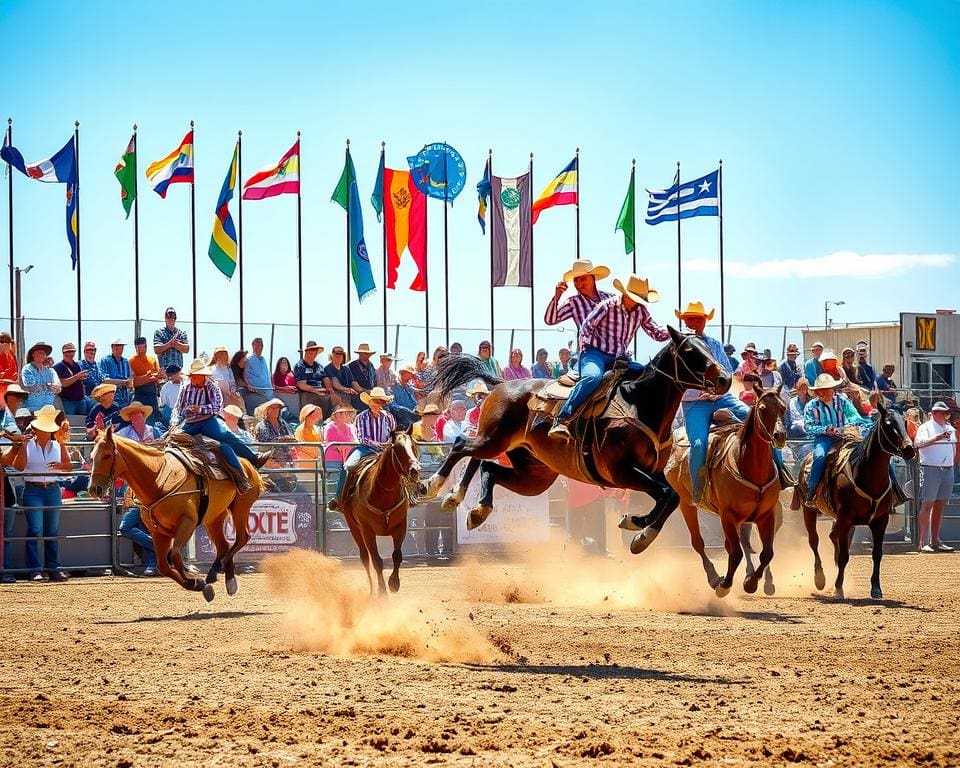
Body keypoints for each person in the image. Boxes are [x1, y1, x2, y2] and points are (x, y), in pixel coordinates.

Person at [550, 274, 668, 440]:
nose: (638, 301)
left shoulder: (640, 311)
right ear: (626, 294)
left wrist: (674, 333)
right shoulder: (608, 305)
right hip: (594, 353)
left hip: (619, 358)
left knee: (645, 376)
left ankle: (640, 421)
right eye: (635, 297)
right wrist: (587, 347)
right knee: (592, 377)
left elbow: (656, 332)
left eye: (640, 298)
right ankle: (562, 418)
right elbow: (586, 327)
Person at [177, 359, 267, 491]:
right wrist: (176, 422)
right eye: (192, 377)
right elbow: (178, 408)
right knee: (172, 439)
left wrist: (200, 409)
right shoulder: (185, 387)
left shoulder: (212, 386)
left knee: (225, 436)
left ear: (203, 376)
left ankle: (252, 459)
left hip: (208, 420)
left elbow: (216, 407)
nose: (193, 379)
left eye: (195, 376)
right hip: (190, 422)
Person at [5, 404, 72, 581]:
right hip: (34, 489)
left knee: (50, 530)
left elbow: (69, 466)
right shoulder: (29, 445)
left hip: (50, 489)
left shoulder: (58, 445)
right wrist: (23, 445)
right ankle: (38, 568)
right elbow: (19, 466)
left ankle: (49, 567)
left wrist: (60, 467)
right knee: (37, 528)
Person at [803, 374, 873, 502]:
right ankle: (811, 490)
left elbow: (855, 416)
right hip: (824, 438)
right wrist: (825, 429)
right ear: (817, 391)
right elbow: (808, 426)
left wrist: (848, 424)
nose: (827, 392)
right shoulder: (811, 406)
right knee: (819, 456)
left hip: (846, 435)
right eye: (823, 389)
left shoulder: (842, 401)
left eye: (829, 388)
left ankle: (893, 489)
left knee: (870, 452)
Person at [327, 387, 396, 511]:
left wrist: (389, 443)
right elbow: (361, 437)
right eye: (375, 401)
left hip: (386, 450)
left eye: (380, 402)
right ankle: (339, 498)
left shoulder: (389, 417)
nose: (377, 404)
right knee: (348, 466)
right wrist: (379, 444)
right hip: (365, 449)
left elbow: (393, 433)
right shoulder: (361, 417)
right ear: (369, 402)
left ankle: (409, 495)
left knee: (404, 465)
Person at [914, 402, 958, 553]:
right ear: (935, 413)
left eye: (946, 413)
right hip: (930, 469)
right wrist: (938, 437)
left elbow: (953, 447)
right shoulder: (925, 427)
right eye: (943, 413)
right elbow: (918, 443)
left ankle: (934, 540)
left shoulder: (950, 428)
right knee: (927, 505)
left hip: (947, 469)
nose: (946, 415)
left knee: (940, 505)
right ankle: (923, 542)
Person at [0, 385, 28, 583]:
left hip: (5, 486)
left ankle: (6, 569)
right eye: (15, 397)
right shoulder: (7, 422)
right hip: (6, 483)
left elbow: (11, 462)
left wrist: (19, 444)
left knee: (7, 532)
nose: (18, 400)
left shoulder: (7, 424)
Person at [544, 259, 613, 330]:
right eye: (576, 280)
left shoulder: (610, 298)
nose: (579, 285)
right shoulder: (573, 302)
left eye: (583, 279)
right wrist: (557, 296)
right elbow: (550, 320)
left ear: (593, 278)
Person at [129, 336, 162, 423]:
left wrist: (157, 377)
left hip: (152, 393)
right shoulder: (132, 361)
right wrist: (148, 377)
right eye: (137, 347)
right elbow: (133, 381)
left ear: (146, 346)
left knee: (154, 418)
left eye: (141, 347)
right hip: (139, 393)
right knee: (140, 417)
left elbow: (158, 377)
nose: (139, 349)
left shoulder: (152, 359)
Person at [21, 341, 62, 411]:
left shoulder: (51, 371)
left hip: (49, 410)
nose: (42, 355)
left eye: (44, 353)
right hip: (32, 409)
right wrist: (48, 386)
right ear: (32, 354)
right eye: (40, 352)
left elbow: (58, 386)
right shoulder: (27, 369)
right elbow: (30, 387)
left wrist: (58, 389)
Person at [295, 341, 332, 415]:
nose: (314, 353)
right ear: (306, 351)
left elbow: (325, 378)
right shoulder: (300, 366)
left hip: (322, 394)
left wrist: (329, 388)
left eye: (315, 351)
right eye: (312, 350)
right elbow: (301, 385)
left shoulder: (319, 366)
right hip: (308, 395)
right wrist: (316, 392)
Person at [53, 343, 89, 416]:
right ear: (64, 352)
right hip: (68, 401)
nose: (71, 353)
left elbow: (80, 382)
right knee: (70, 423)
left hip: (81, 400)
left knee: (82, 423)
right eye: (69, 351)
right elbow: (63, 383)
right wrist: (78, 376)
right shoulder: (58, 367)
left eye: (73, 351)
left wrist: (82, 377)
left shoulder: (77, 365)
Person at [153, 307, 190, 372]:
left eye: (173, 317)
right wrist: (170, 344)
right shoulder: (159, 332)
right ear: (165, 318)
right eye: (169, 317)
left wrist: (176, 344)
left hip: (178, 370)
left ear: (175, 319)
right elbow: (157, 350)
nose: (171, 319)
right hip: (164, 371)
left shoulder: (181, 333)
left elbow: (186, 349)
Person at [99, 338, 133, 408]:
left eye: (121, 347)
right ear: (112, 348)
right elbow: (104, 381)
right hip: (111, 400)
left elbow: (130, 382)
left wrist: (127, 383)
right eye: (117, 347)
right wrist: (123, 382)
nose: (120, 349)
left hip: (125, 400)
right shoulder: (105, 360)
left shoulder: (126, 361)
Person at [322, 404, 358, 470]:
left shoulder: (349, 428)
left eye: (346, 413)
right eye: (340, 413)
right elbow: (330, 444)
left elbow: (353, 442)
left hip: (346, 459)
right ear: (334, 415)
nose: (344, 414)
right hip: (332, 459)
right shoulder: (330, 427)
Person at [243, 337, 273, 413]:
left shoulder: (263, 360)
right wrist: (248, 385)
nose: (260, 346)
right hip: (256, 393)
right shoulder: (249, 360)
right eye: (258, 344)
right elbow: (245, 375)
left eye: (261, 344)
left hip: (268, 393)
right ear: (253, 345)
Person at [210, 346, 243, 411]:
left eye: (224, 355)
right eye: (220, 355)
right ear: (216, 357)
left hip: (229, 395)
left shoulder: (229, 370)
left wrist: (233, 391)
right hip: (216, 395)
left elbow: (232, 383)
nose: (222, 357)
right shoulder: (211, 369)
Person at [294, 403, 324, 471]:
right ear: (307, 415)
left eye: (318, 415)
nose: (317, 417)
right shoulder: (301, 429)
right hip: (304, 464)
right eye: (314, 415)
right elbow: (303, 447)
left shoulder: (315, 428)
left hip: (316, 463)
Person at [78, 341, 103, 406]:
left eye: (93, 349)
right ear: (84, 351)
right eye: (88, 349)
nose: (91, 351)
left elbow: (103, 380)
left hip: (99, 396)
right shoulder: (79, 365)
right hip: (86, 398)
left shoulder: (99, 365)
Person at [0, 331, 18, 401]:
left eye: (7, 342)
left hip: (11, 392)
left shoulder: (11, 354)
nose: (4, 344)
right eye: (1, 341)